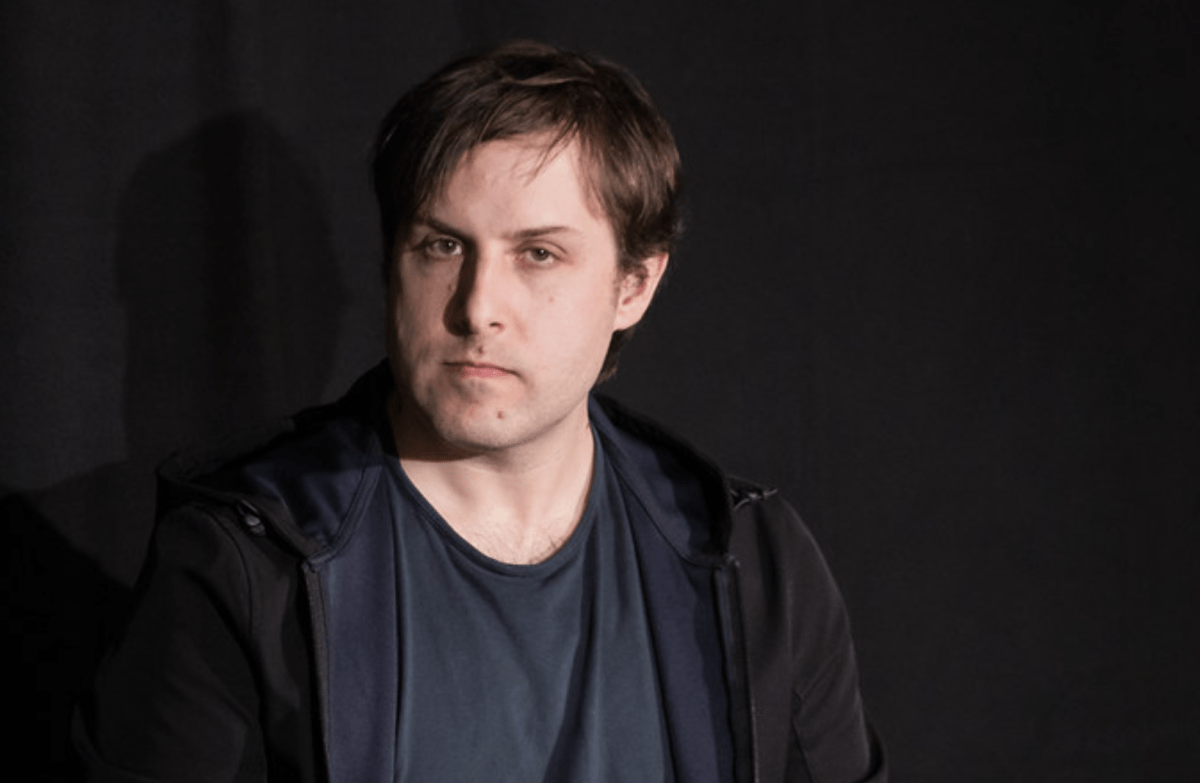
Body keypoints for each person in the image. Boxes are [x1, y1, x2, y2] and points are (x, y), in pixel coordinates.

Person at [76, 40, 887, 783]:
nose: (477, 307)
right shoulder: (242, 564)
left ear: (634, 286)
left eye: (538, 253)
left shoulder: (756, 563)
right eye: (443, 245)